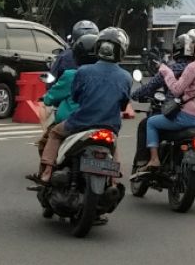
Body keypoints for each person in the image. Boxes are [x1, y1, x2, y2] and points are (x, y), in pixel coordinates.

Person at [32, 28, 132, 185]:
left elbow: (77, 96)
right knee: (114, 143)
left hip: (80, 122)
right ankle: (114, 179)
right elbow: (123, 105)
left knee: (55, 134)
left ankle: (47, 171)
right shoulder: (126, 77)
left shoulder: (83, 71)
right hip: (110, 125)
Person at [138, 27, 195, 172]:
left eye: (192, 43)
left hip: (186, 118)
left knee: (151, 123)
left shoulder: (193, 66)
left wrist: (166, 72)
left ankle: (154, 159)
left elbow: (177, 90)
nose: (190, 46)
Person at [33, 33, 98, 175]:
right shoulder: (108, 75)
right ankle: (114, 180)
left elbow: (52, 96)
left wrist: (46, 98)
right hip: (102, 121)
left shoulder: (71, 74)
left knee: (52, 135)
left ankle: (46, 174)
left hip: (75, 122)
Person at [130, 34, 190, 168]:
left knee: (146, 124)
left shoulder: (170, 69)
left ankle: (147, 159)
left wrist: (135, 95)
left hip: (175, 115)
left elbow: (150, 86)